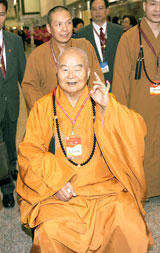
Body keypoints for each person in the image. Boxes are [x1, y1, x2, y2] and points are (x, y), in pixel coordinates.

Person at [16, 47, 153, 252]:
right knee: (50, 232)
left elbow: (137, 130)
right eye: (64, 69)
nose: (71, 76)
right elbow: (29, 152)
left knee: (129, 224)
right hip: (61, 195)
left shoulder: (102, 100)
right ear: (57, 73)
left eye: (78, 69)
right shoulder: (43, 108)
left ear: (88, 73)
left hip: (105, 191)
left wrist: (108, 108)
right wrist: (56, 183)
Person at [112, 0, 160, 197]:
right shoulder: (129, 38)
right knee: (143, 148)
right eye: (153, 4)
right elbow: (120, 80)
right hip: (139, 108)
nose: (157, 9)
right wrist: (120, 115)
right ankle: (144, 188)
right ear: (143, 6)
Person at [22, 6, 104, 113]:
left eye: (68, 23)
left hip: (83, 112)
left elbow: (96, 77)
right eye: (59, 24)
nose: (65, 29)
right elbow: (30, 88)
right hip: (52, 116)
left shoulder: (85, 47)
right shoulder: (37, 55)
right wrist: (45, 112)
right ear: (49, 28)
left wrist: (92, 106)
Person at [0, 0, 26, 208]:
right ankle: (6, 188)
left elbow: (24, 77)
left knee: (9, 145)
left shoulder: (15, 42)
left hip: (11, 105)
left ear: (6, 14)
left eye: (0, 13)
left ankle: (10, 173)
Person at [75, 0, 123, 88]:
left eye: (101, 8)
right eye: (94, 9)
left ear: (107, 10)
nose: (97, 12)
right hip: (92, 84)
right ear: (90, 12)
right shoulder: (81, 34)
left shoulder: (119, 31)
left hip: (116, 81)